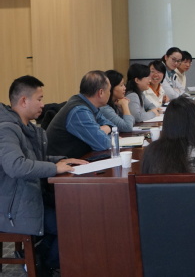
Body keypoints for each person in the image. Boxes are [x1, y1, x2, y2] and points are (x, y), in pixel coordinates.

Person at [0, 76, 87, 274]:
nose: (43, 104)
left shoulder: (27, 127)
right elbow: (16, 166)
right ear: (24, 101)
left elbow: (36, 159)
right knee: (71, 225)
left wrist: (63, 160)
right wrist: (55, 168)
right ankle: (41, 264)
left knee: (75, 214)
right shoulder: (7, 130)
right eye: (39, 99)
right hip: (12, 208)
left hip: (29, 198)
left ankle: (36, 258)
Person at [47, 71, 115, 158]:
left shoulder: (90, 105)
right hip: (64, 163)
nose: (110, 93)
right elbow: (103, 144)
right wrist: (102, 131)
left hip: (81, 158)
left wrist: (106, 128)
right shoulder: (79, 111)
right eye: (109, 90)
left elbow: (112, 126)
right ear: (101, 92)